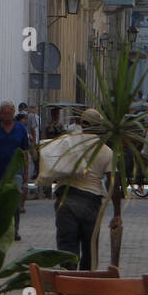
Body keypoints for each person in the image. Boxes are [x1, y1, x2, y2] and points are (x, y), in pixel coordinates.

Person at [52, 108, 119, 270]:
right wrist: (117, 213)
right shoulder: (106, 151)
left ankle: (67, 285)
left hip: (66, 201)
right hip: (91, 202)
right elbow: (113, 184)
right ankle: (85, 286)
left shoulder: (68, 144)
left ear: (82, 123)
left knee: (67, 247)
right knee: (90, 249)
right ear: (100, 126)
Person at [0, 101, 29, 238]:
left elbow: (25, 151)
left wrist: (26, 171)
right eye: (5, 113)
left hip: (16, 173)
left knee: (14, 203)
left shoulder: (20, 128)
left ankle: (14, 230)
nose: (7, 116)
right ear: (1, 114)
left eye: (9, 113)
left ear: (13, 113)